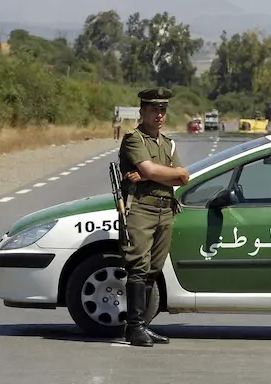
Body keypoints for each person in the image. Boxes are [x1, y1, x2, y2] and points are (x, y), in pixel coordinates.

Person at [118, 87, 191, 347]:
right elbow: (150, 169)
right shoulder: (134, 139)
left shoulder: (168, 143)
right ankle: (134, 327)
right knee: (138, 266)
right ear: (142, 112)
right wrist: (161, 173)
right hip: (141, 207)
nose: (159, 115)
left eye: (162, 110)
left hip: (165, 209)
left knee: (153, 269)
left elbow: (183, 177)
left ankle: (143, 326)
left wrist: (154, 174)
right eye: (153, 110)